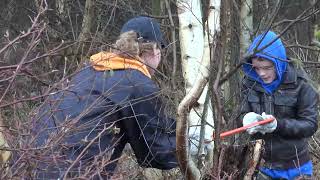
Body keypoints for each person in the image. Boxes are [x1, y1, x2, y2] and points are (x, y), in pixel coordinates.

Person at [30, 16, 178, 179]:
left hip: (27, 165)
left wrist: (179, 126)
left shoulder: (87, 72)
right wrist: (190, 144)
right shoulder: (137, 84)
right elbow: (156, 152)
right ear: (155, 49)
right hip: (73, 174)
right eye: (161, 49)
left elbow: (152, 124)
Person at [240, 31, 318, 180]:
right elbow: (240, 116)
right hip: (261, 166)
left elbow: (310, 124)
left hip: (297, 167)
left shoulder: (301, 84)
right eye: (256, 68)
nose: (261, 73)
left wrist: (278, 125)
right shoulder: (249, 83)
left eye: (267, 67)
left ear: (279, 62)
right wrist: (246, 120)